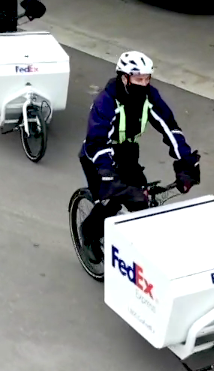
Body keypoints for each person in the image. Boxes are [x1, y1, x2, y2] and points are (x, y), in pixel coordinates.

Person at [78, 51, 201, 263]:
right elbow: (97, 140)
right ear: (124, 78)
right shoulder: (106, 101)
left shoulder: (149, 97)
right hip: (98, 156)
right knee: (111, 202)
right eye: (138, 79)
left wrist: (186, 162)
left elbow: (170, 128)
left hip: (126, 153)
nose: (143, 84)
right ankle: (88, 234)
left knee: (143, 204)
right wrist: (108, 175)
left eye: (146, 79)